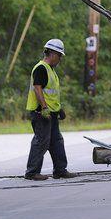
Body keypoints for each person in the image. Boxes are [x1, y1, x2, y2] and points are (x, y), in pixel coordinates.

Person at [24, 39, 75, 181]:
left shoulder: (51, 70)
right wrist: (45, 108)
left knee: (56, 141)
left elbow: (50, 93)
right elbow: (37, 88)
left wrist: (59, 109)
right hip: (41, 112)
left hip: (52, 113)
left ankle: (60, 170)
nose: (60, 59)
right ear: (52, 54)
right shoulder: (41, 68)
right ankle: (32, 172)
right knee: (41, 141)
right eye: (59, 56)